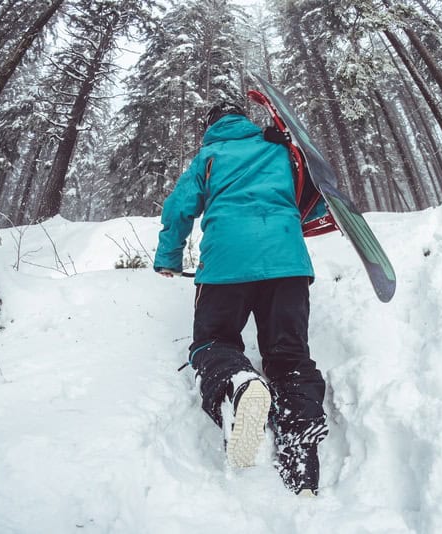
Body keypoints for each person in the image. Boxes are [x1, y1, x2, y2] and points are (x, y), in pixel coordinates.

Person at [153, 101, 328, 496]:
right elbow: (312, 198)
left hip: (226, 266)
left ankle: (238, 385)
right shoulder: (280, 147)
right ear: (244, 120)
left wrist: (168, 257)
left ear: (210, 125)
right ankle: (301, 449)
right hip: (288, 263)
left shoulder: (209, 156)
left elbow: (179, 207)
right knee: (289, 354)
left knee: (213, 341)